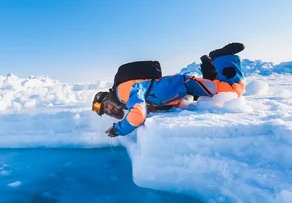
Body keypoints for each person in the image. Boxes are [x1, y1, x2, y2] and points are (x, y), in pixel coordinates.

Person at [92, 43, 246, 137]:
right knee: (211, 94)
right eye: (106, 111)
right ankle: (208, 67)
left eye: (106, 105)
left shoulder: (123, 91)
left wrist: (118, 130)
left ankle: (224, 56)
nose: (110, 109)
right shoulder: (124, 100)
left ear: (108, 96)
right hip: (181, 94)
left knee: (233, 91)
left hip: (186, 84)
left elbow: (138, 114)